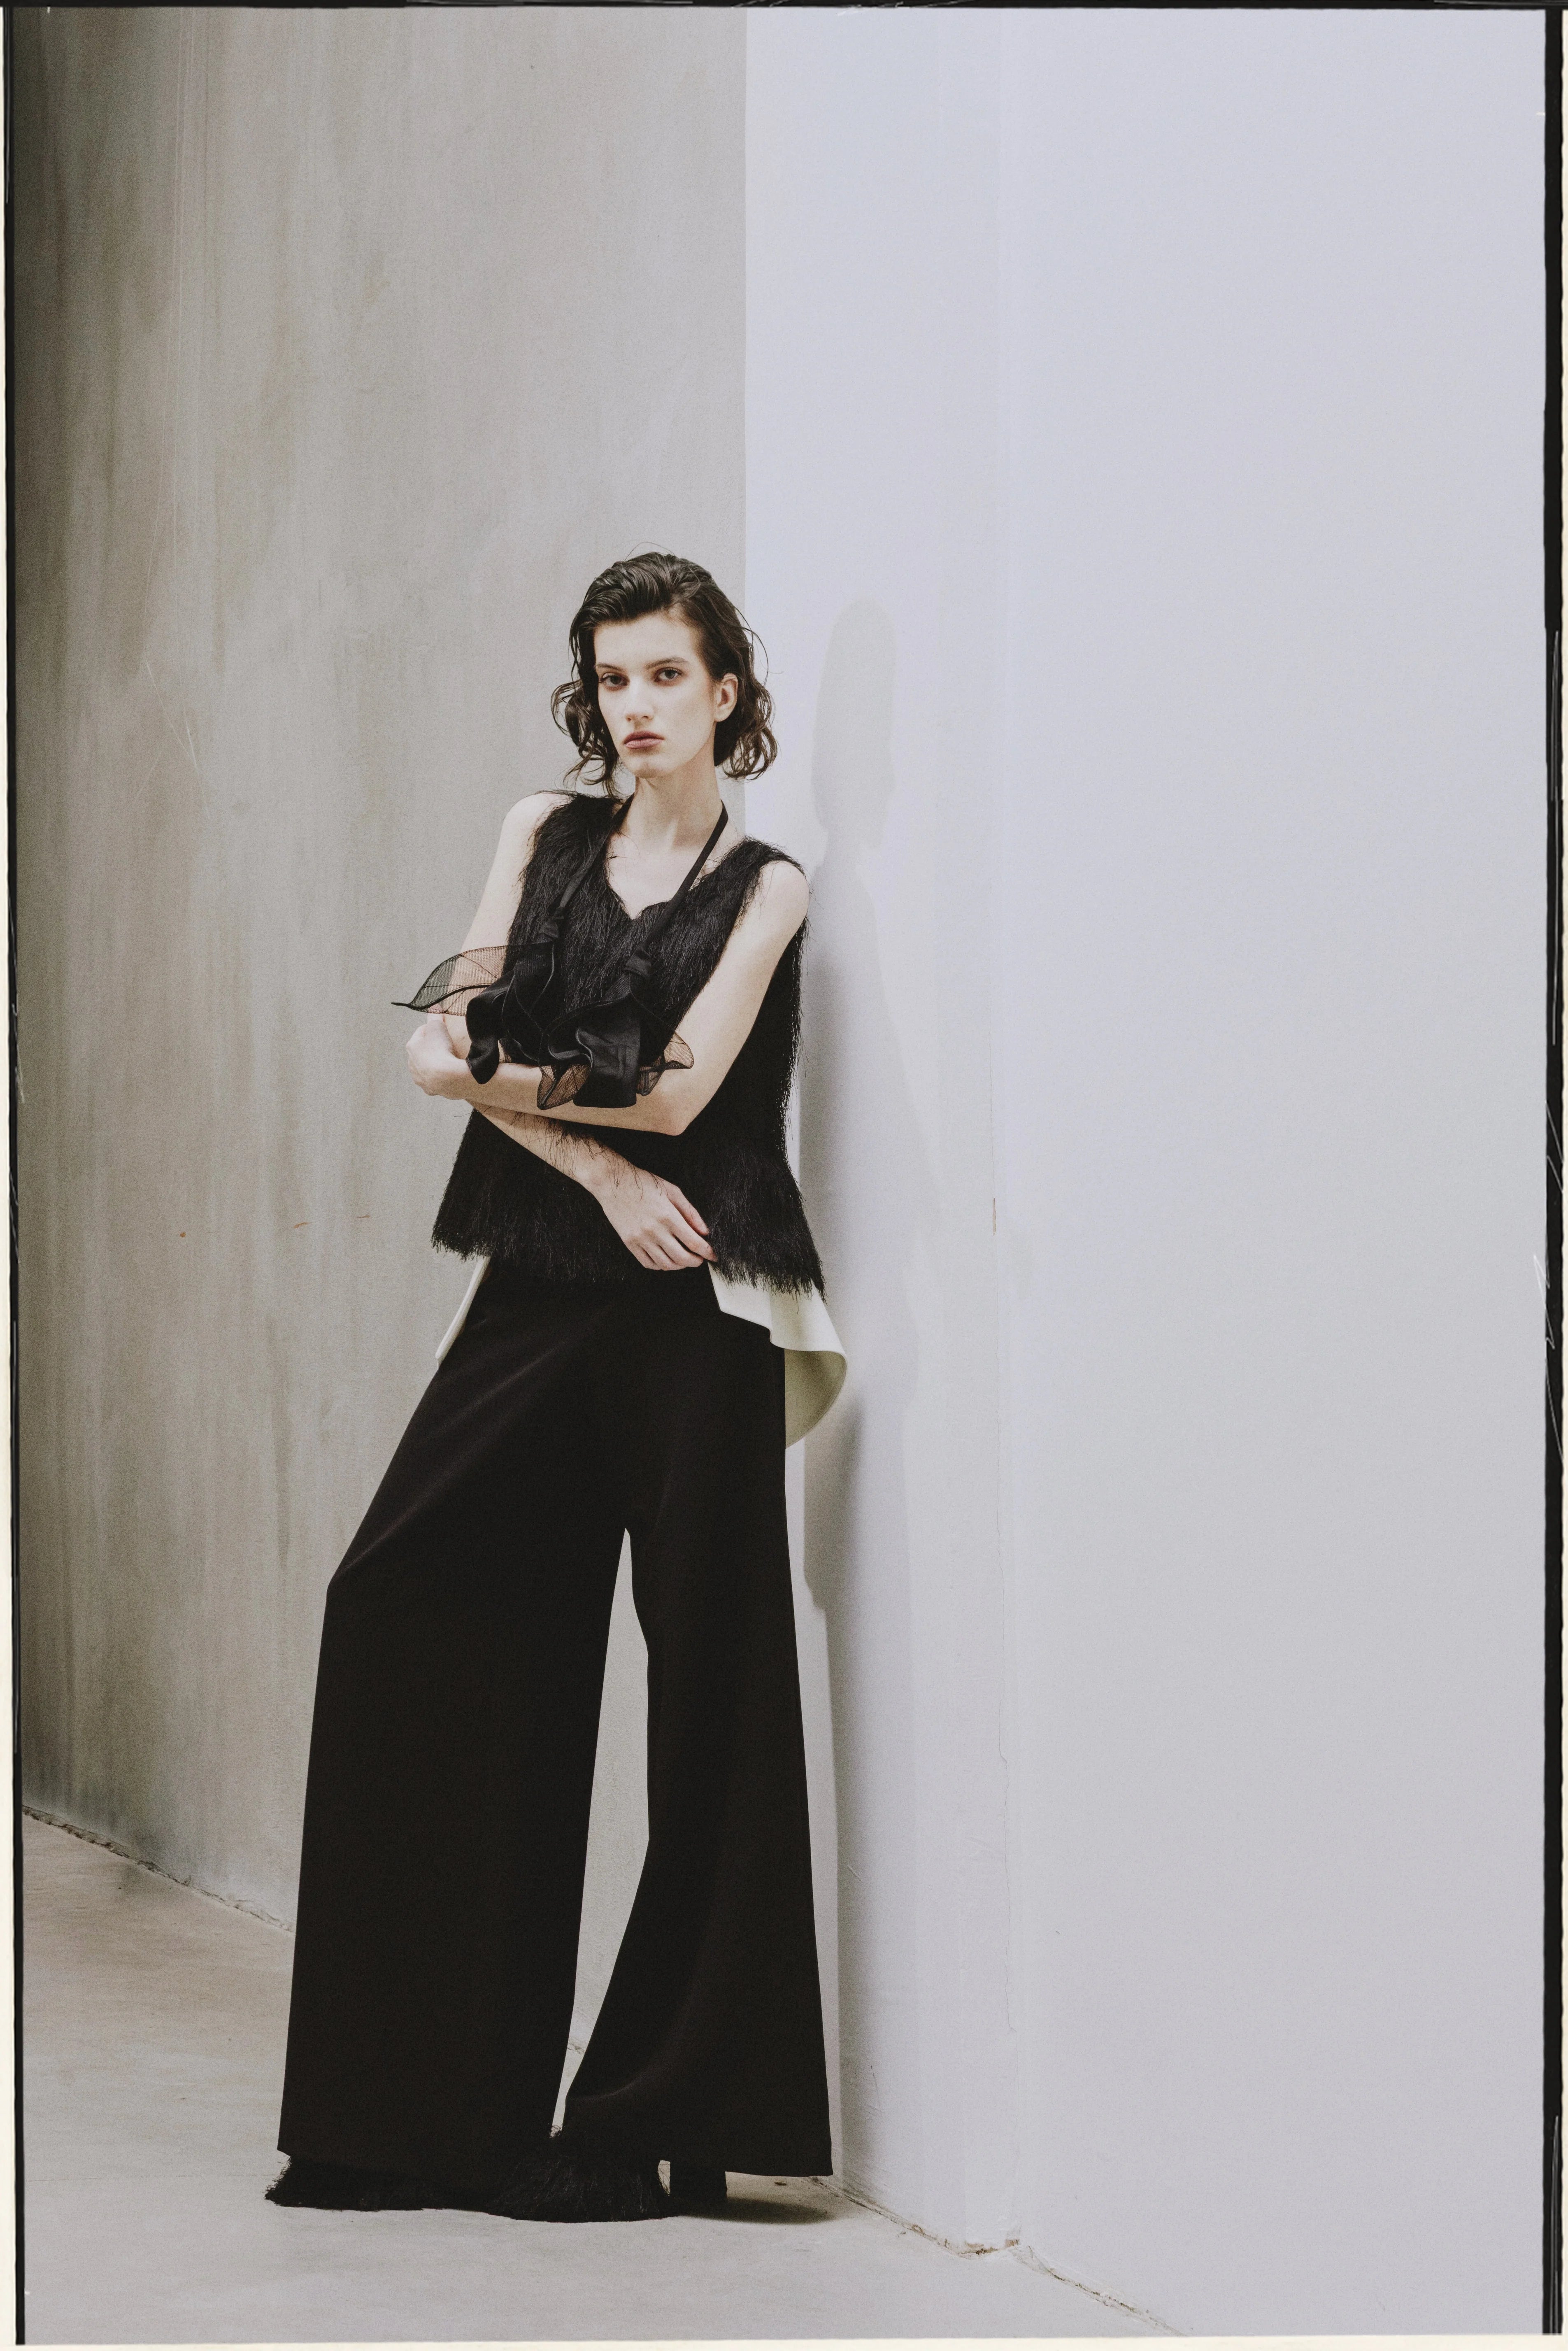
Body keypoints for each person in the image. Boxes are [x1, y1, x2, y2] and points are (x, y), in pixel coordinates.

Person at [265, 552, 844, 2223]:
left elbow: (674, 1097)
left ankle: (669, 2114)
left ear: (725, 692)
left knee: (714, 1694)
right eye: (610, 679)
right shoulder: (542, 833)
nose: (634, 706)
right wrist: (589, 1171)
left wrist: (529, 1094)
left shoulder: (769, 886)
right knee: (402, 1599)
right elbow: (434, 1045)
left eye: (665, 676)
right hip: (554, 1271)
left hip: (702, 1298)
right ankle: (408, 2118)